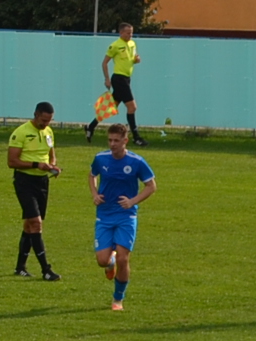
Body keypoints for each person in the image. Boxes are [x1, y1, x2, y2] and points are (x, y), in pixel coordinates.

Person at [89, 123, 156, 311]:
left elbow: (151, 186)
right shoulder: (100, 158)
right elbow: (92, 175)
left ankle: (118, 298)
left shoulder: (136, 162)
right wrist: (94, 194)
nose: (112, 144)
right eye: (110, 140)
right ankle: (109, 262)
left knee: (123, 259)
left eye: (116, 141)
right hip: (104, 215)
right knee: (102, 261)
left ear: (125, 141)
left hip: (127, 216)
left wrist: (133, 201)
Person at [7, 101, 62, 281]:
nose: (46, 124)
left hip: (42, 182)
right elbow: (12, 161)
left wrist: (52, 166)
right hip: (25, 181)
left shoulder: (48, 132)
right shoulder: (21, 132)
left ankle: (20, 267)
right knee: (36, 223)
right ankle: (46, 270)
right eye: (44, 120)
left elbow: (51, 154)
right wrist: (36, 165)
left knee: (29, 225)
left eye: (49, 121)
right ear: (36, 115)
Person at [85, 23, 148, 147]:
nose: (130, 35)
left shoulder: (132, 44)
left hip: (127, 78)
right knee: (132, 107)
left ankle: (90, 127)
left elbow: (132, 59)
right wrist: (107, 79)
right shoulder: (115, 45)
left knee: (110, 107)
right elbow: (104, 63)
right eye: (128, 33)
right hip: (119, 79)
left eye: (131, 33)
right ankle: (136, 137)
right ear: (121, 33)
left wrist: (136, 60)